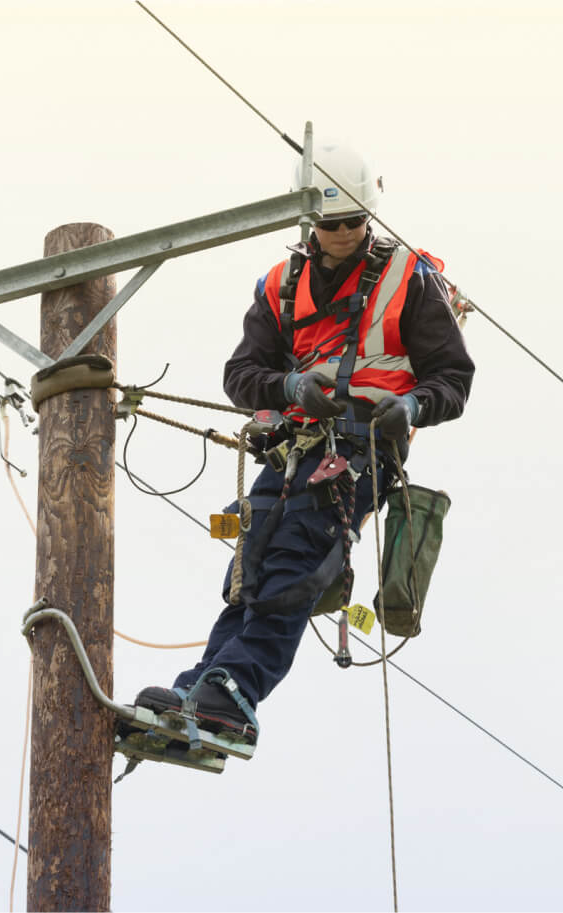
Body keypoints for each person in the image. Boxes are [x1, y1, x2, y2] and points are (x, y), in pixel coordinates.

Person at [132, 141, 475, 744]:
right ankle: (204, 687)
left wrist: (412, 407)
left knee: (295, 561)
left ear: (369, 217)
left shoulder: (409, 279)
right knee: (252, 566)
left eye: (353, 223)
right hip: (295, 446)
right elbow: (241, 375)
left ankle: (235, 691)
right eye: (331, 224)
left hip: (361, 447)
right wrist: (289, 383)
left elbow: (453, 376)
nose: (343, 234)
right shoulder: (282, 284)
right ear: (309, 223)